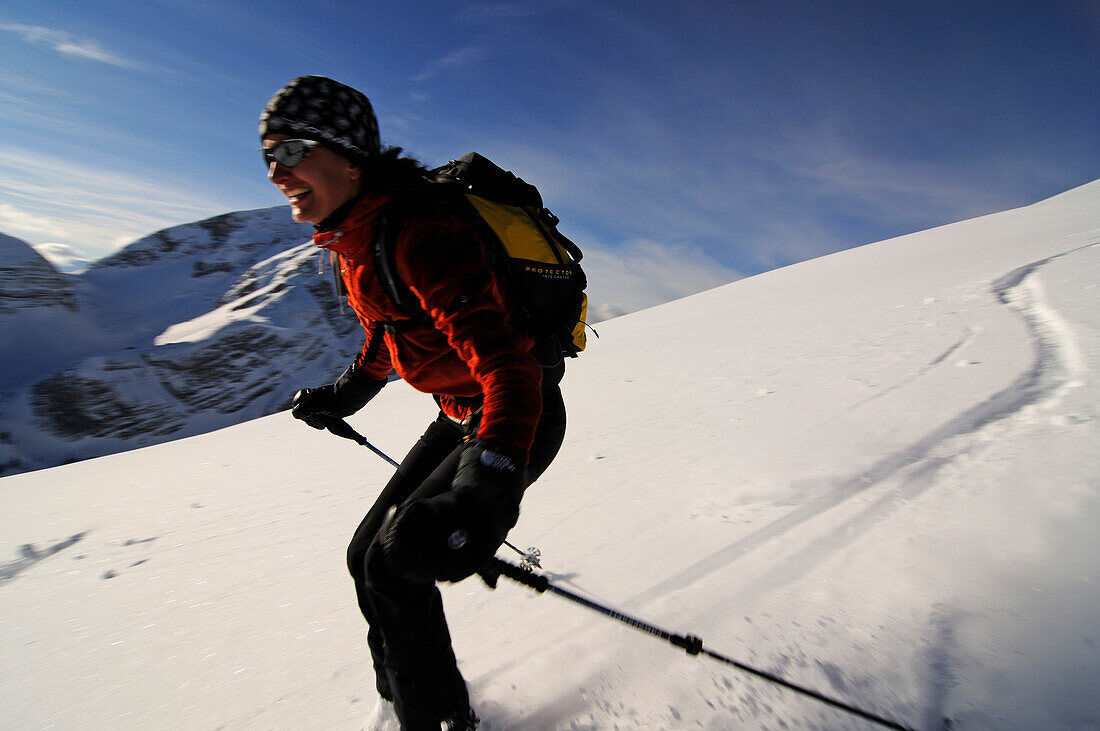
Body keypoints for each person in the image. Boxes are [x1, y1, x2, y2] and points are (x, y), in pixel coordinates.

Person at [259, 76, 567, 730]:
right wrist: (340, 397)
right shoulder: (357, 236)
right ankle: (404, 697)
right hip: (459, 414)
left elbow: (508, 366)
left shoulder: (419, 232)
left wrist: (488, 488)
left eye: (290, 151)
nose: (275, 172)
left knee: (393, 565)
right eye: (267, 156)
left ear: (347, 158)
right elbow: (388, 336)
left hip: (513, 416)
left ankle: (439, 720)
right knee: (366, 557)